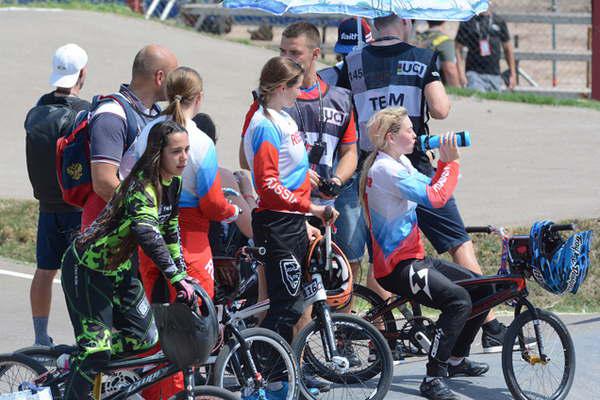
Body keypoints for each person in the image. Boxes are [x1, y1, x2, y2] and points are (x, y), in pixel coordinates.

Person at [339, 13, 509, 352]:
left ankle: (380, 336)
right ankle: (489, 326)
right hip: (411, 165)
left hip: (369, 166)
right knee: (458, 241)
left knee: (384, 252)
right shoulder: (420, 57)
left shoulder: (352, 62)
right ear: (403, 21)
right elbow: (441, 108)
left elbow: (345, 111)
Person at [122, 68, 240, 400]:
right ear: (198, 98)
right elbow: (213, 203)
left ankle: (156, 392)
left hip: (150, 236)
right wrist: (232, 211)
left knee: (157, 324)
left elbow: (124, 175)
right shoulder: (198, 141)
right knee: (190, 328)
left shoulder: (148, 132)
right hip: (190, 241)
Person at [360, 107, 490, 400]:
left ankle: (455, 359)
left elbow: (431, 189)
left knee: (483, 288)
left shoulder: (400, 161)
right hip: (396, 266)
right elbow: (435, 197)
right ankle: (432, 377)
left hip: (414, 258)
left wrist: (443, 166)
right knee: (458, 300)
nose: (415, 134)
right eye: (409, 130)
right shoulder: (385, 170)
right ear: (392, 137)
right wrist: (450, 163)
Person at [60, 120, 193, 399]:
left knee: (145, 339)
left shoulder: (174, 182)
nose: (184, 158)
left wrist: (182, 272)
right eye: (176, 152)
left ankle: (78, 362)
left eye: (187, 150)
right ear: (159, 153)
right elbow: (147, 232)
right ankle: (87, 360)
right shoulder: (142, 187)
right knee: (97, 351)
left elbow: (169, 229)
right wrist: (175, 277)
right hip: (88, 268)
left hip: (121, 268)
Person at [243, 56, 339, 400]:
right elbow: (267, 183)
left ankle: (284, 377)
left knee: (293, 301)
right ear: (281, 87)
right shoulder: (264, 123)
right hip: (277, 220)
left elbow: (286, 168)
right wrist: (309, 207)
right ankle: (261, 380)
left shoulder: (282, 117)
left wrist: (304, 180)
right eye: (297, 87)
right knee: (285, 306)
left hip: (291, 220)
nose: (301, 93)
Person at [24, 43, 90, 347]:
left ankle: (40, 338)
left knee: (44, 270)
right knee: (80, 274)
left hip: (47, 205)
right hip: (77, 205)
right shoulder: (84, 112)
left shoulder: (38, 109)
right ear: (82, 74)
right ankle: (86, 337)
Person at [83, 44, 178, 228]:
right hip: (107, 236)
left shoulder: (156, 114)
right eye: (174, 76)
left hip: (135, 229)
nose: (178, 82)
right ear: (159, 77)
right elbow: (104, 181)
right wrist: (145, 215)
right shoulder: (112, 114)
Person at [455, 7, 516, 91]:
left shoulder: (499, 21)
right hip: (473, 73)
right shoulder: (468, 21)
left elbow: (508, 49)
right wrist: (461, 74)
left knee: (494, 101)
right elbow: (458, 49)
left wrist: (513, 74)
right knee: (478, 98)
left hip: (495, 74)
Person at [319, 17, 373, 87]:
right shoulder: (326, 78)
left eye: (356, 54)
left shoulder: (382, 75)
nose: (349, 58)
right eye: (345, 54)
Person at [417, 21, 460, 87]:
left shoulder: (417, 38)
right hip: (432, 85)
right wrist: (457, 90)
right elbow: (450, 69)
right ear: (444, 21)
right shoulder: (444, 41)